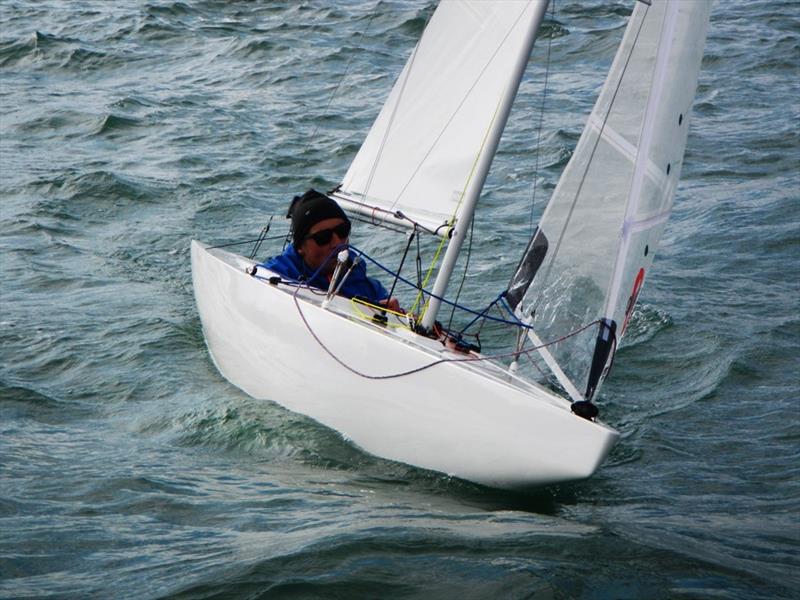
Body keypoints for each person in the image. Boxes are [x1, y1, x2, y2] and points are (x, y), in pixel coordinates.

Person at [263, 189, 400, 311]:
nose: (337, 243)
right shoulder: (274, 275)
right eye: (323, 237)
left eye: (342, 231)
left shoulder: (369, 287)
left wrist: (396, 316)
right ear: (300, 247)